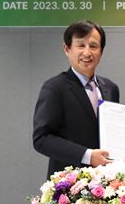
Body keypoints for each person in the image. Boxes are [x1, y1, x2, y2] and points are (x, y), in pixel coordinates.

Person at [33, 20, 120, 178]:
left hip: (107, 182)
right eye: (81, 45)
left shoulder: (111, 88)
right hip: (69, 183)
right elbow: (42, 139)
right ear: (67, 49)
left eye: (93, 46)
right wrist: (87, 156)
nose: (87, 52)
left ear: (101, 51)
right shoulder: (55, 87)